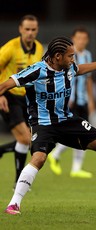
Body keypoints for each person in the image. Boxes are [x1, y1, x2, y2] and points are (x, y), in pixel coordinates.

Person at [0, 36, 96, 215]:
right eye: (70, 56)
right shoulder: (36, 71)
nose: (73, 60)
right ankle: (14, 204)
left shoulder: (68, 67)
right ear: (58, 56)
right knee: (39, 159)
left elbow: (79, 69)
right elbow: (6, 84)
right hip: (43, 124)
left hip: (67, 120)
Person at [0, 15, 43, 188]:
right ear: (20, 29)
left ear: (37, 30)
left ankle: (2, 150)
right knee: (26, 139)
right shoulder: (10, 48)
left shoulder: (39, 48)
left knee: (29, 140)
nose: (30, 33)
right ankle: (18, 183)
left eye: (33, 29)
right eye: (27, 29)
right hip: (9, 97)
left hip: (27, 99)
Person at [48, 27, 95, 179]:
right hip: (70, 100)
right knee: (74, 132)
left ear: (87, 40)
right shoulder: (66, 56)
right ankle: (55, 154)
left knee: (83, 133)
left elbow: (88, 80)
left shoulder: (87, 55)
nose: (81, 41)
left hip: (83, 100)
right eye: (78, 38)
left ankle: (75, 168)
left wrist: (91, 100)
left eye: (84, 38)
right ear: (73, 39)